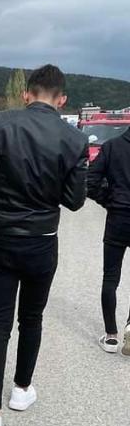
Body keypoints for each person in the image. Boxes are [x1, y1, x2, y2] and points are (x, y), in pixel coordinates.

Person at [0, 64, 88, 426]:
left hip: (2, 238)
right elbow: (75, 201)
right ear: (62, 99)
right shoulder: (74, 139)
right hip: (41, 241)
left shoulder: (0, 124)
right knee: (32, 319)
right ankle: (21, 390)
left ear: (27, 93)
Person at [87, 125, 130, 355]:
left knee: (111, 276)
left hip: (118, 217)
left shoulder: (112, 146)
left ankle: (111, 336)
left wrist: (108, 201)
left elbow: (90, 181)